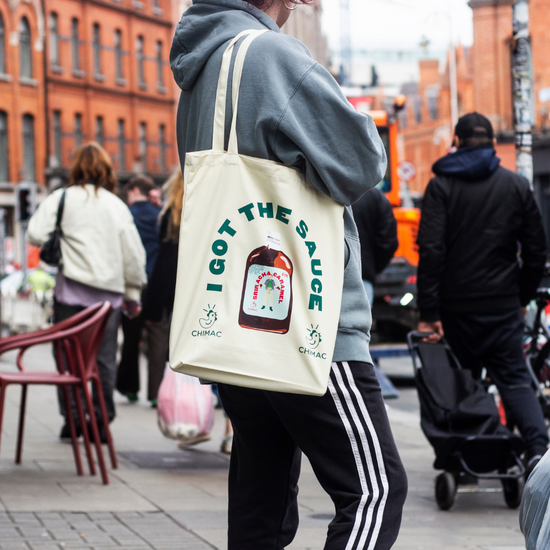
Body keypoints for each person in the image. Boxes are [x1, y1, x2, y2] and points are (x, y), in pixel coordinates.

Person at [170, 1, 408, 548]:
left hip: (236, 325)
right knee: (374, 490)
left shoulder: (201, 67)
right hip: (309, 324)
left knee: (264, 494)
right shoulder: (273, 56)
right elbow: (362, 163)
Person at [417, 112, 549, 477]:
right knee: (514, 380)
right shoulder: (515, 185)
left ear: (456, 143)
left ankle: (465, 460)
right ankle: (537, 450)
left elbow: (431, 250)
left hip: (456, 308)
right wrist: (521, 295)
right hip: (503, 305)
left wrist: (429, 310)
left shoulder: (441, 186)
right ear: (493, 144)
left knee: (464, 383)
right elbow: (536, 249)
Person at [27, 142, 147, 442]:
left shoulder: (61, 198)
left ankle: (75, 419)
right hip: (108, 300)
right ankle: (102, 422)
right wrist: (132, 294)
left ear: (76, 168)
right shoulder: (116, 205)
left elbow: (34, 234)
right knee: (104, 359)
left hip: (70, 296)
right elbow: (133, 256)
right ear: (106, 170)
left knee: (68, 360)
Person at [141, 170, 235, 452]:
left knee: (192, 363)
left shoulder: (171, 213)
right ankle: (230, 432)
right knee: (224, 362)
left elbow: (165, 263)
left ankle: (195, 421)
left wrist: (153, 306)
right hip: (217, 292)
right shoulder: (217, 206)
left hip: (183, 300)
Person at [116, 175, 163, 406]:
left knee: (131, 338)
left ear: (135, 190)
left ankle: (130, 388)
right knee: (157, 339)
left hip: (133, 286)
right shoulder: (158, 215)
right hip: (156, 285)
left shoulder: (128, 216)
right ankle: (155, 393)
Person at [352, 187, 398, 305]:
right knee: (359, 322)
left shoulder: (320, 187)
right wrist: (371, 267)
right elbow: (388, 242)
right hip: (362, 277)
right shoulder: (375, 196)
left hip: (321, 275)